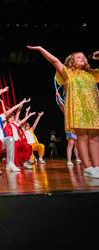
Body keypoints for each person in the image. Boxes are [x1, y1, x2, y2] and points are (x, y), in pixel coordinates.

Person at [27, 46, 99, 178]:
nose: (82, 58)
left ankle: (97, 166)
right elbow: (54, 61)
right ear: (71, 61)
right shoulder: (67, 72)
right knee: (82, 137)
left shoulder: (92, 74)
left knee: (95, 138)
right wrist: (41, 49)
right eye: (78, 57)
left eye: (83, 57)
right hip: (78, 109)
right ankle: (88, 167)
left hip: (93, 110)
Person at [56, 91, 81, 167]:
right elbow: (61, 104)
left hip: (76, 128)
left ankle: (77, 158)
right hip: (70, 128)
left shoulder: (75, 110)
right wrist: (58, 96)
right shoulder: (66, 109)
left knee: (77, 144)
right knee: (71, 144)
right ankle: (69, 160)